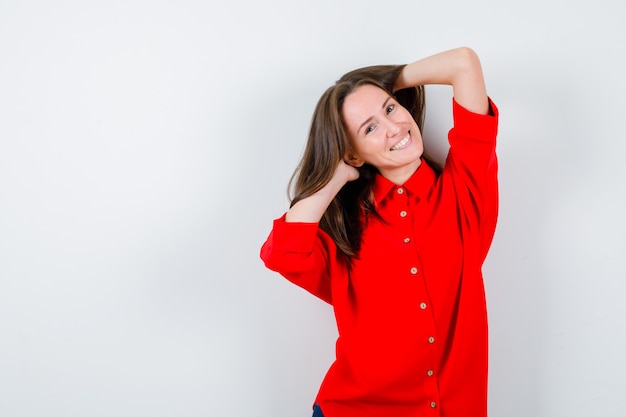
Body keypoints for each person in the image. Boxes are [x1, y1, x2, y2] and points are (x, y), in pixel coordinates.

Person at [260, 47, 499, 417]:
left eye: (390, 108)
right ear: (353, 154)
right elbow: (282, 254)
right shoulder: (345, 230)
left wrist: (386, 81)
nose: (394, 128)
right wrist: (337, 175)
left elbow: (463, 63)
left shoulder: (463, 192)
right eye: (369, 128)